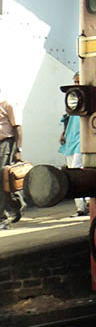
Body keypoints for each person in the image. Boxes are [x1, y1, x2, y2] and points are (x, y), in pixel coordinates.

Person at [59, 73, 88, 217]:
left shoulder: (88, 97)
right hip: (70, 140)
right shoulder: (72, 98)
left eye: (78, 81)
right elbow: (66, 118)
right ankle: (80, 207)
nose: (76, 84)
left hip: (81, 141)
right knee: (72, 171)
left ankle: (86, 203)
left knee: (77, 169)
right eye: (75, 82)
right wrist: (63, 134)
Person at [0, 89, 23, 229]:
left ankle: (2, 218)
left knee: (2, 179)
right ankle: (15, 205)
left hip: (5, 144)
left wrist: (18, 150)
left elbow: (18, 127)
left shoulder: (8, 103)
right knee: (4, 181)